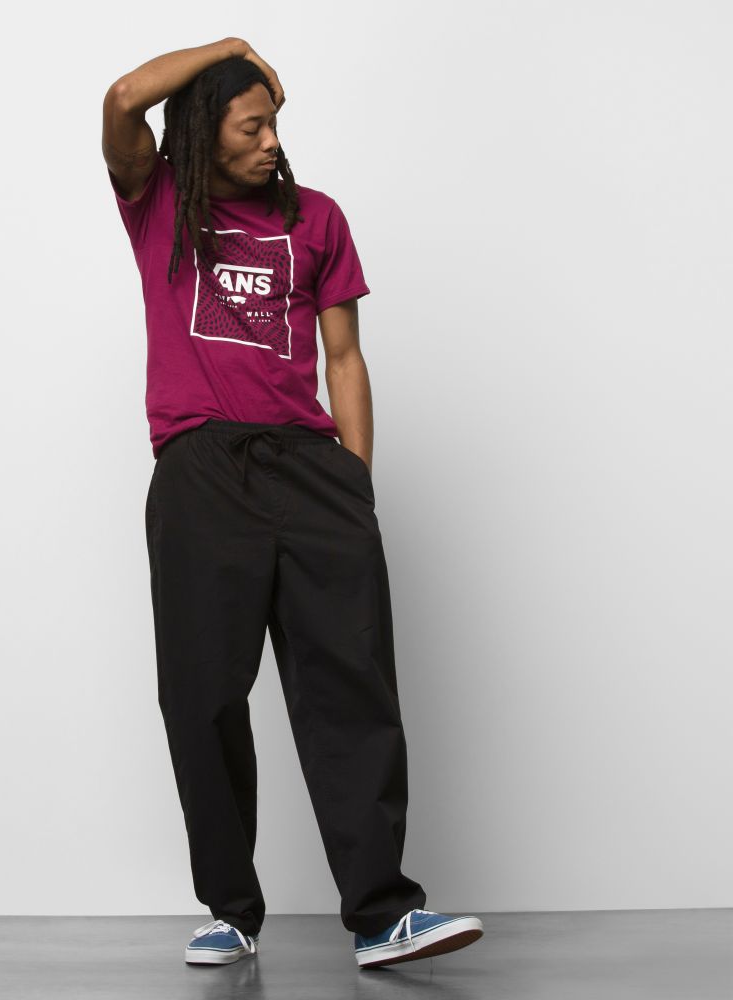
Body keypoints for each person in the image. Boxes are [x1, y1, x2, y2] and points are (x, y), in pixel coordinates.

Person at [101, 37, 484, 970]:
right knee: (203, 696)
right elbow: (123, 99)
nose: (272, 140)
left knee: (351, 685)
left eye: (275, 123)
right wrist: (232, 48)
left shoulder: (317, 219)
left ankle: (383, 914)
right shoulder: (161, 204)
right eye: (252, 125)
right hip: (202, 469)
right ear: (204, 133)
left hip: (312, 470)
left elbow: (343, 357)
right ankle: (231, 910)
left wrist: (355, 482)